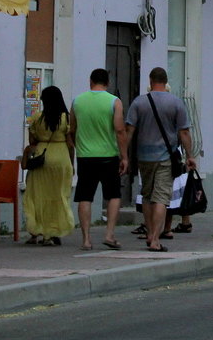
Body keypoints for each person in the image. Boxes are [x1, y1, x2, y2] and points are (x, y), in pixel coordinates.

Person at [125, 67, 196, 252]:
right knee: (161, 198)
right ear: (165, 81)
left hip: (144, 157)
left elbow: (129, 131)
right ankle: (155, 239)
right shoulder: (176, 103)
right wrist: (190, 156)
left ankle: (149, 234)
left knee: (147, 196)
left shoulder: (139, 102)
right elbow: (184, 132)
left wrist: (123, 155)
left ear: (150, 81)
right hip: (166, 156)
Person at [70, 68, 127, 250]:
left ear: (90, 81)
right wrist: (124, 156)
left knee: (85, 197)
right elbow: (119, 130)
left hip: (85, 157)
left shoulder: (77, 101)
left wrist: (78, 147)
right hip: (108, 156)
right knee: (113, 195)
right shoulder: (114, 102)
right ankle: (109, 235)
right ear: (107, 83)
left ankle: (86, 239)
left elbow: (72, 129)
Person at [24, 85, 75, 246]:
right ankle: (52, 233)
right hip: (61, 158)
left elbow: (32, 142)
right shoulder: (66, 118)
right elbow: (70, 144)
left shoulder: (37, 118)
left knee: (37, 196)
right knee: (58, 196)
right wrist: (72, 165)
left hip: (42, 157)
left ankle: (36, 231)